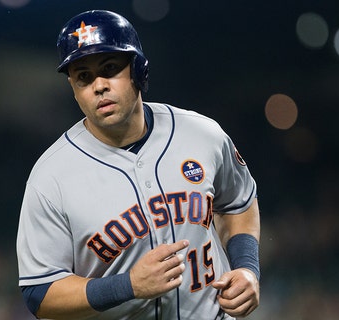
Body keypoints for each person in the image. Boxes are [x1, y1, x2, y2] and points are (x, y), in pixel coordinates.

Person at [16, 10, 260, 320]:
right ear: (74, 90)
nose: (99, 86)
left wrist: (247, 268)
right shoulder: (50, 178)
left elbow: (239, 203)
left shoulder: (202, 134)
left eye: (110, 68)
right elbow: (40, 293)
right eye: (83, 77)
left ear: (139, 70)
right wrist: (127, 285)